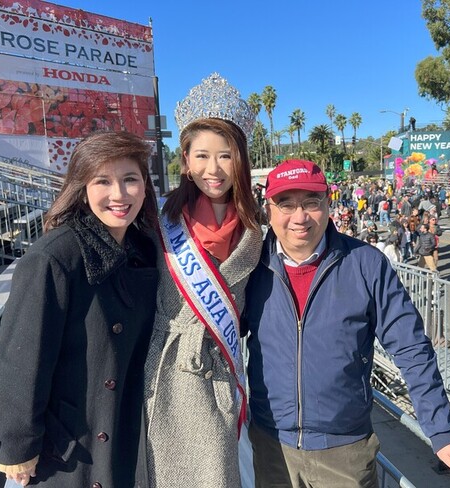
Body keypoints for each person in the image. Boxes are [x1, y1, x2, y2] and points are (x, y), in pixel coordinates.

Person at [242, 159, 450, 488]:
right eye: (286, 204)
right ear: (268, 209)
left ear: (329, 204)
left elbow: (411, 348)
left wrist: (441, 430)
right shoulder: (248, 266)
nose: (299, 217)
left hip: (344, 449)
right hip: (270, 445)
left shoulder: (366, 263)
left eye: (311, 203)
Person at [0, 131, 160, 487]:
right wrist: (14, 445)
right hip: (70, 446)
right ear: (82, 187)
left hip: (125, 426)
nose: (119, 194)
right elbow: (20, 357)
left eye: (130, 180)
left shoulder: (145, 248)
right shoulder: (55, 256)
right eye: (103, 181)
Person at [143, 73, 262, 487]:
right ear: (186, 162)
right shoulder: (158, 218)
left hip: (222, 368)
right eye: (202, 156)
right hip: (168, 366)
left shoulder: (254, 227)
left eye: (226, 156)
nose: (214, 169)